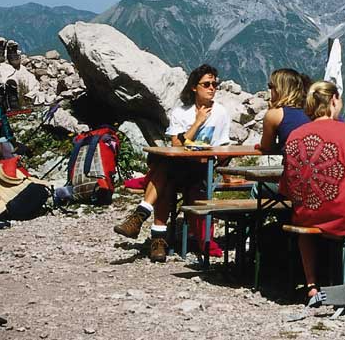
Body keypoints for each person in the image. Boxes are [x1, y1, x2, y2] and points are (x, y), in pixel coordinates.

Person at [113, 64, 231, 262]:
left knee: (163, 171)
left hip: (202, 169)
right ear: (194, 87)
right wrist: (197, 123)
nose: (212, 88)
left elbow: (223, 147)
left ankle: (144, 221)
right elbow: (176, 144)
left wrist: (227, 176)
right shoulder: (181, 112)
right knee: (167, 175)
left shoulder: (221, 113)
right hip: (180, 167)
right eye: (206, 84)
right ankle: (157, 240)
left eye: (214, 84)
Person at [279, 81, 345, 298]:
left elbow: (287, 187)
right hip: (344, 214)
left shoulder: (295, 136)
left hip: (305, 214)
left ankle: (311, 284)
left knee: (305, 227)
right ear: (334, 100)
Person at [252, 69, 310, 198]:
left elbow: (267, 146)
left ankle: (250, 219)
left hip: (292, 182)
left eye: (271, 86)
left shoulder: (275, 114)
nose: (269, 90)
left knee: (258, 188)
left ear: (279, 89)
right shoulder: (314, 111)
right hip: (318, 180)